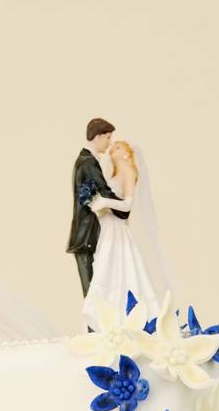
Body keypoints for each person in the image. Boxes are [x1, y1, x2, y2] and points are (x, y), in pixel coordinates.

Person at [81, 138, 160, 325]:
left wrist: (105, 202)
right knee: (104, 266)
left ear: (126, 153)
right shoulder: (114, 175)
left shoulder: (129, 172)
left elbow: (127, 205)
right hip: (106, 226)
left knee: (116, 267)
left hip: (116, 229)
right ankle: (106, 316)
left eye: (117, 147)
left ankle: (125, 317)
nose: (111, 150)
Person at [67, 118, 124, 298]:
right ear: (98, 137)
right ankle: (94, 326)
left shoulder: (85, 159)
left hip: (85, 234)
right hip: (86, 235)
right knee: (92, 290)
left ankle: (95, 325)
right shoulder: (88, 162)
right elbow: (105, 191)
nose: (110, 143)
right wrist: (124, 211)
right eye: (108, 138)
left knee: (93, 288)